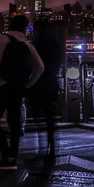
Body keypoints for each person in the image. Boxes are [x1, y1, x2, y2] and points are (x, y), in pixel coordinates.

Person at [0, 15, 44, 170]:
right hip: (18, 87)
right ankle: (12, 156)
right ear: (25, 27)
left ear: (9, 25)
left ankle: (6, 154)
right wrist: (28, 84)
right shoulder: (27, 44)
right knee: (15, 122)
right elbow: (40, 67)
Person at [28, 20, 62, 158]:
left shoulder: (34, 45)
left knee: (38, 119)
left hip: (38, 84)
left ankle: (42, 149)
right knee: (50, 118)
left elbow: (31, 65)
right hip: (52, 83)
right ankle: (53, 149)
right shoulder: (55, 44)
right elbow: (59, 61)